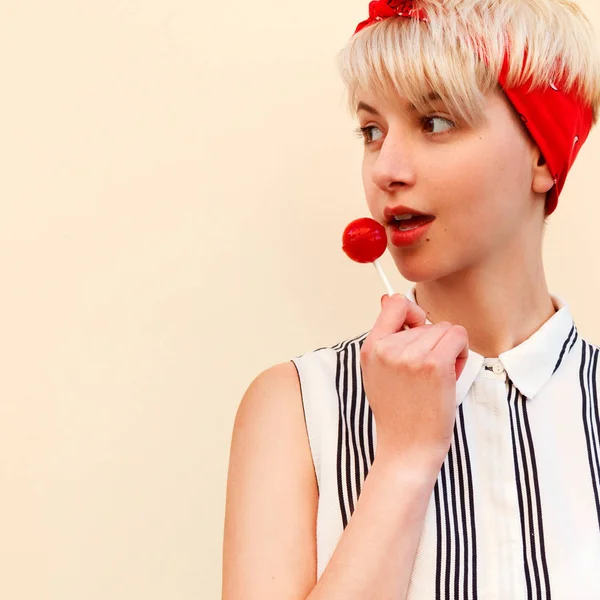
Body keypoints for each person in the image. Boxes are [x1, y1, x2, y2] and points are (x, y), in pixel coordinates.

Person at [222, 1, 600, 598]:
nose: (386, 170)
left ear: (541, 157)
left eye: (435, 122)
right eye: (372, 132)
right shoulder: (296, 407)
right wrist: (402, 461)